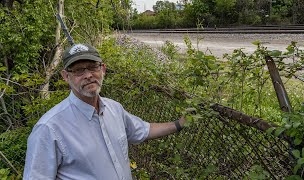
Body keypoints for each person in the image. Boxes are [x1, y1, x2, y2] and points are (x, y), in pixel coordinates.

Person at [23, 43, 186, 180]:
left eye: (93, 67)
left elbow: (142, 130)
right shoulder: (49, 128)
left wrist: (180, 123)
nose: (88, 75)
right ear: (66, 76)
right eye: (79, 70)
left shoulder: (114, 109)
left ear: (103, 69)